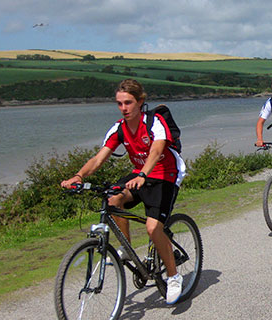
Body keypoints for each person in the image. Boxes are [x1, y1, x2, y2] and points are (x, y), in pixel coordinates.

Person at [61, 79, 187, 305]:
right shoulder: (119, 128)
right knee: (112, 200)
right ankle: (127, 248)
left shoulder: (154, 123)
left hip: (165, 174)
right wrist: (79, 176)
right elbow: (99, 158)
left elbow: (157, 150)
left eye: (128, 103)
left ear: (140, 102)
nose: (124, 108)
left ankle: (174, 276)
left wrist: (143, 174)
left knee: (152, 227)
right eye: (119, 103)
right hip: (140, 174)